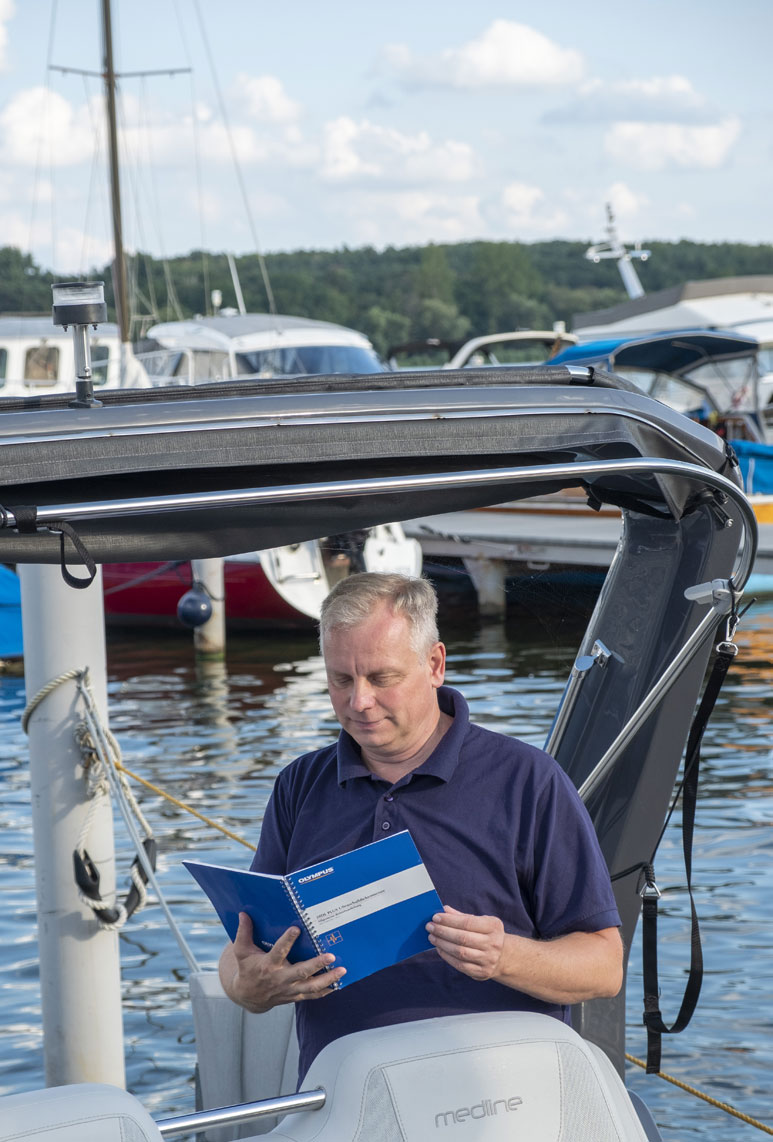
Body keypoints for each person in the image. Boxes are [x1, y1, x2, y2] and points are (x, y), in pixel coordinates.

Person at [219, 572, 623, 1082]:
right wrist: (248, 986)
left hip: (500, 1100)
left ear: (434, 665)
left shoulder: (529, 781)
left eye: (381, 678)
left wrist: (504, 956)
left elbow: (605, 967)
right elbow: (242, 951)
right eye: (341, 679)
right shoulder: (299, 785)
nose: (358, 701)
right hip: (346, 1099)